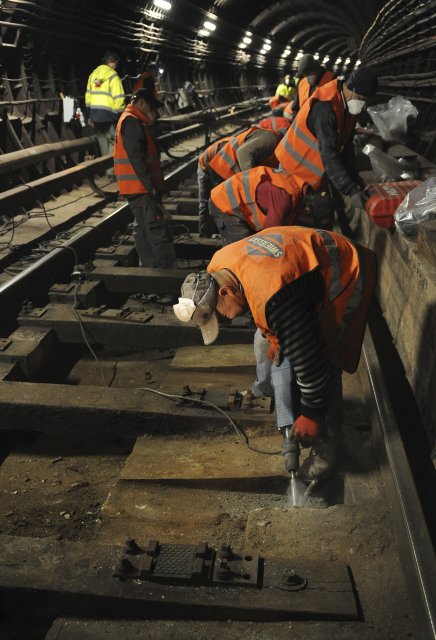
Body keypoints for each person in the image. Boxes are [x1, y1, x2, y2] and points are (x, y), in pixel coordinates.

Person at [173, 227, 376, 483]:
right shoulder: (219, 266)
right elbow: (264, 299)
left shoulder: (275, 297)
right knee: (276, 340)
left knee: (326, 358)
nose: (223, 321)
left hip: (345, 270)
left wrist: (311, 414)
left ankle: (328, 450)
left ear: (224, 292)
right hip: (306, 266)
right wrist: (276, 338)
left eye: (220, 314)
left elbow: (310, 360)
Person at [275, 66, 379, 212]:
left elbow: (346, 149)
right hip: (292, 167)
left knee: (318, 210)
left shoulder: (347, 105)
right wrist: (350, 189)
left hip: (310, 170)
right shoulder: (325, 107)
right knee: (292, 213)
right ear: (352, 88)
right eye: (361, 99)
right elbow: (329, 154)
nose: (362, 104)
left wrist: (355, 181)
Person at [113, 88, 176, 268]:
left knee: (142, 230)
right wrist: (152, 190)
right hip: (141, 188)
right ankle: (164, 275)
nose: (151, 111)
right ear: (141, 102)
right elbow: (137, 161)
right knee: (156, 230)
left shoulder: (130, 120)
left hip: (136, 188)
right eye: (149, 106)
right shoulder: (131, 122)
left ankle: (149, 269)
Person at [197, 124, 286, 238]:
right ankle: (205, 235)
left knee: (227, 202)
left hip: (223, 167)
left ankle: (217, 233)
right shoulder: (271, 139)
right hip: (212, 162)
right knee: (212, 202)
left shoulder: (275, 149)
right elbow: (243, 152)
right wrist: (251, 182)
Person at [209, 165, 334, 244]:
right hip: (223, 203)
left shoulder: (298, 186)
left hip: (234, 202)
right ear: (308, 206)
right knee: (243, 249)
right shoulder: (284, 198)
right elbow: (268, 236)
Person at [85, 51, 126, 179]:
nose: (116, 67)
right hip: (109, 114)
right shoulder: (113, 76)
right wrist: (119, 114)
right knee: (114, 142)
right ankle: (111, 171)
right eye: (116, 64)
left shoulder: (93, 75)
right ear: (111, 63)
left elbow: (88, 96)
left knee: (102, 142)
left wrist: (89, 115)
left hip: (95, 114)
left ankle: (108, 169)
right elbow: (119, 97)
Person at [283, 53, 335, 120]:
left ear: (317, 68)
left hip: (325, 124)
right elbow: (296, 107)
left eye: (310, 72)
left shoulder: (332, 79)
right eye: (305, 74)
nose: (308, 77)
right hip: (304, 124)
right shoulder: (302, 83)